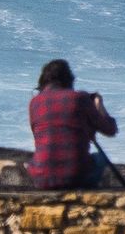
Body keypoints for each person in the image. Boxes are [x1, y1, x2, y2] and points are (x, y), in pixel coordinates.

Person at [25, 58, 117, 189]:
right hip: (74, 176)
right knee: (100, 158)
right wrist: (98, 104)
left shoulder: (35, 102)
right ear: (69, 79)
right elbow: (110, 129)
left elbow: (42, 136)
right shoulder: (80, 98)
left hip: (41, 178)